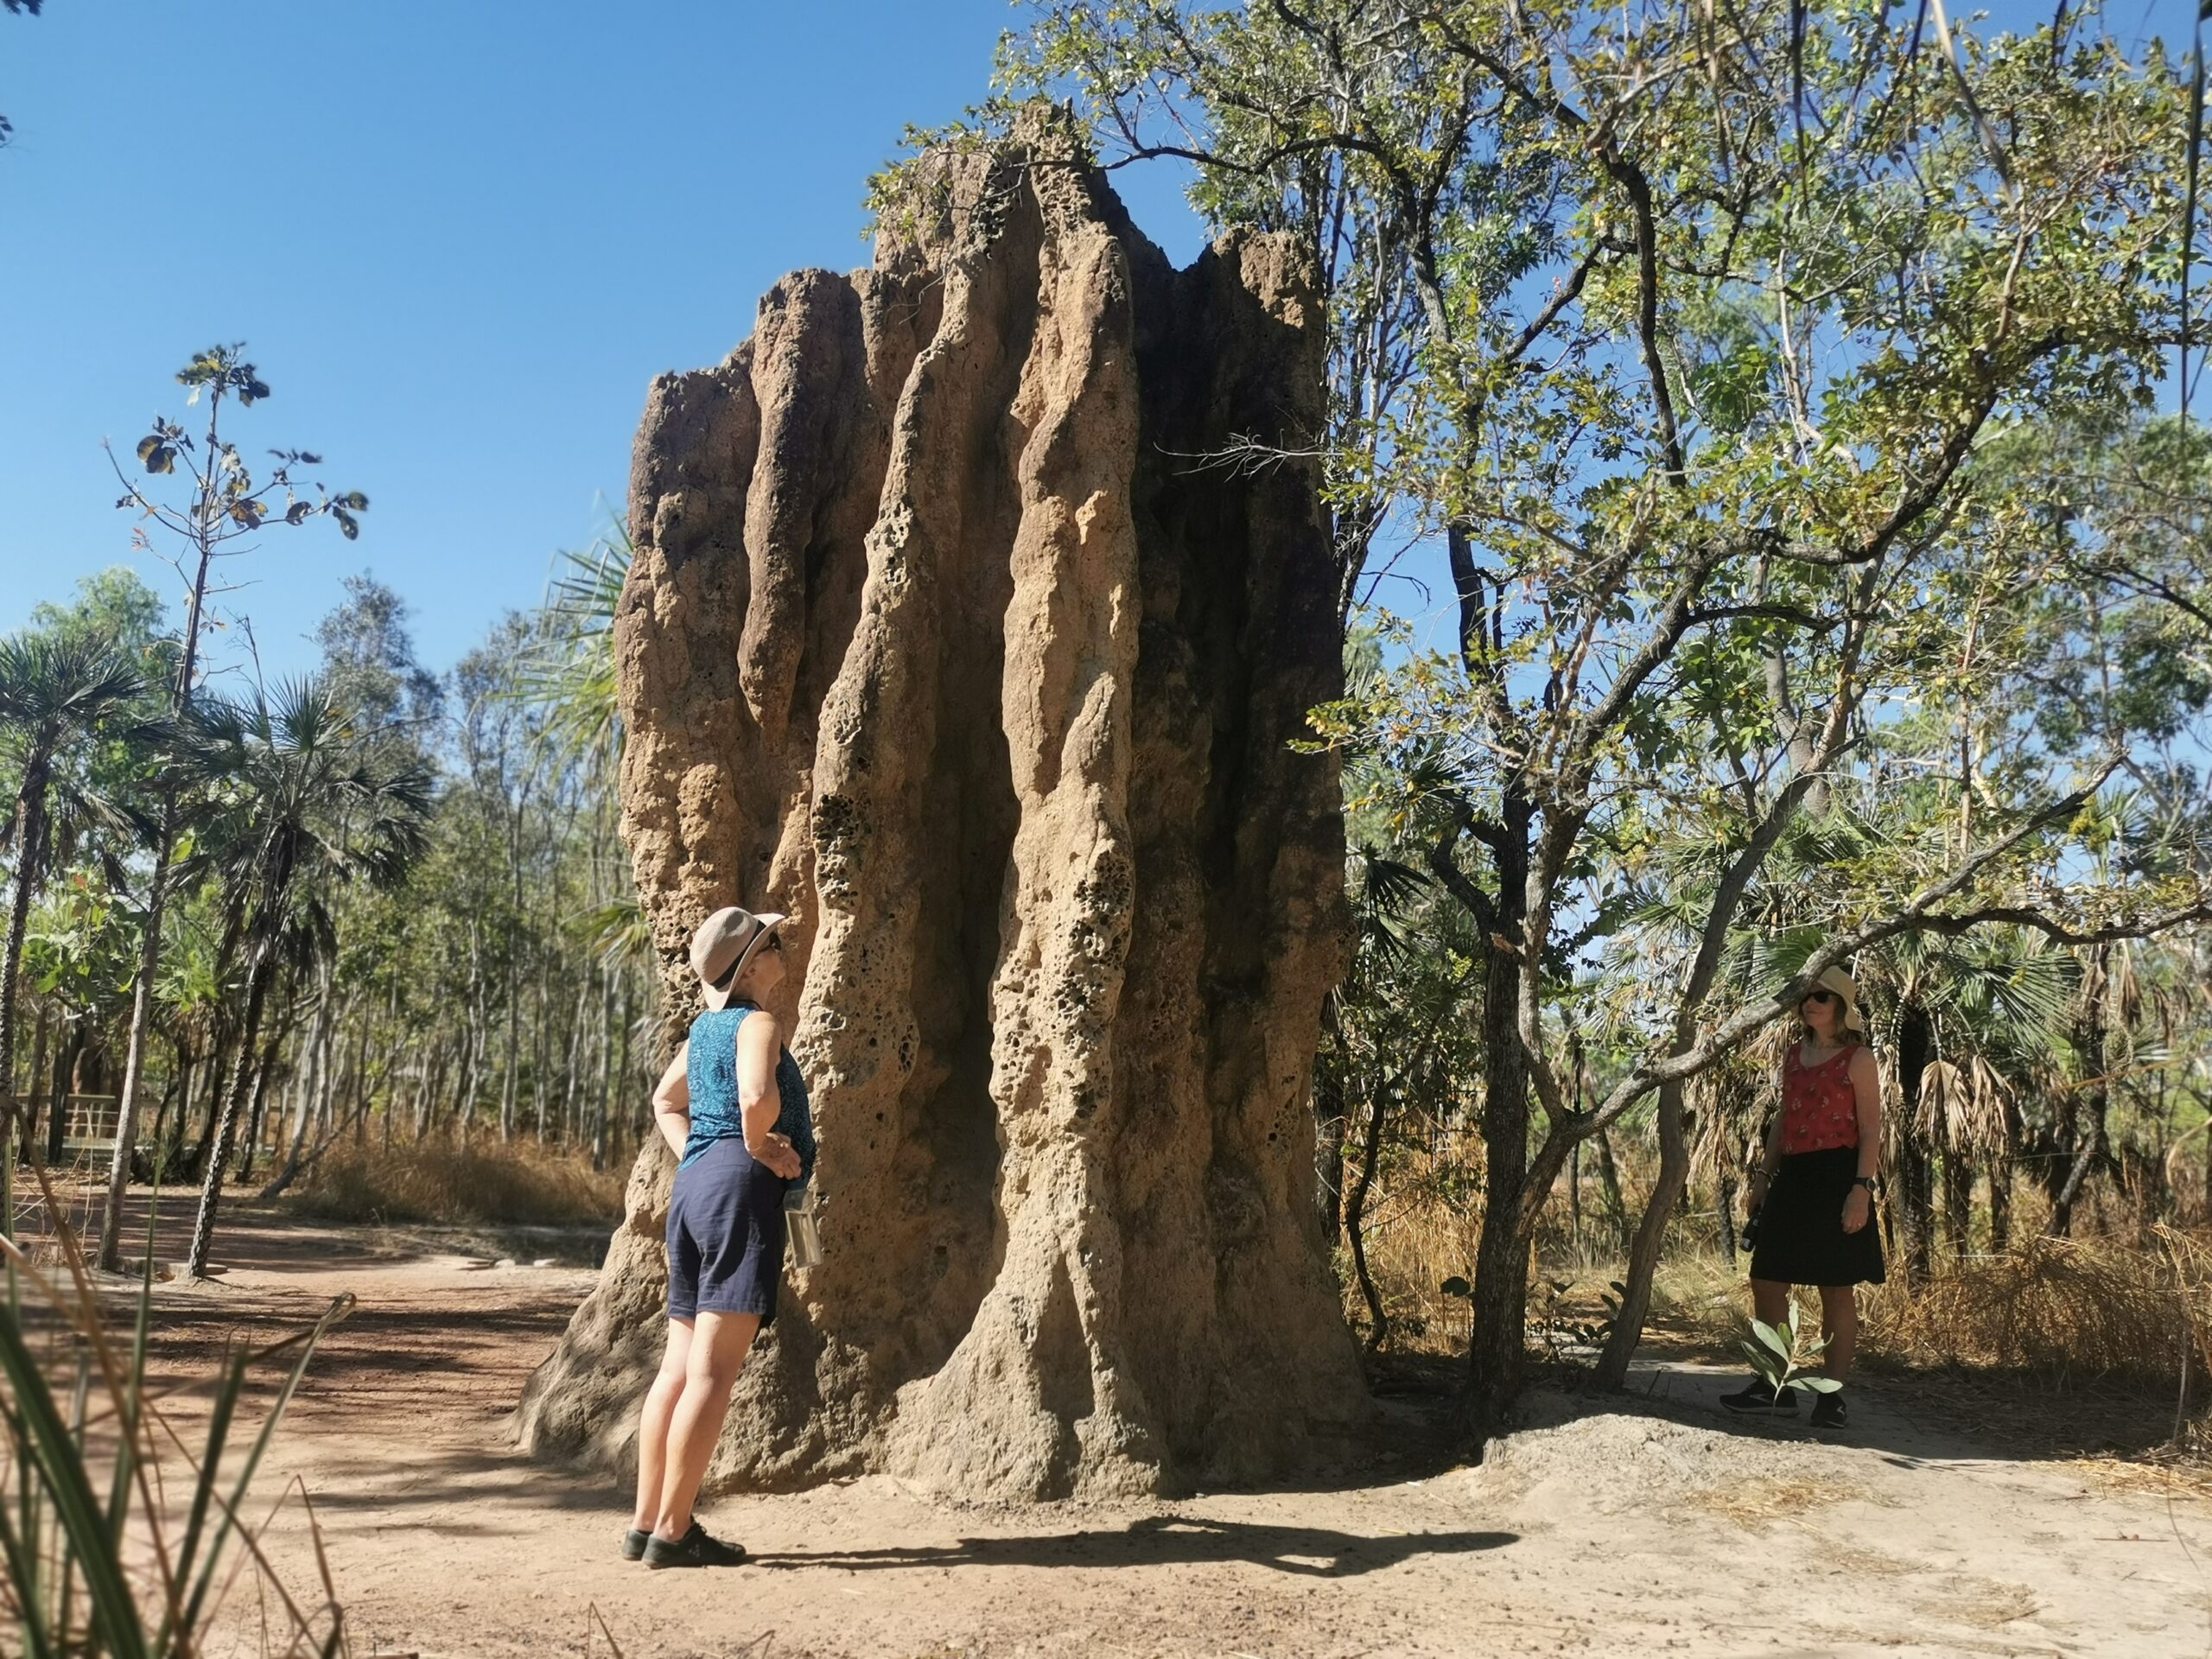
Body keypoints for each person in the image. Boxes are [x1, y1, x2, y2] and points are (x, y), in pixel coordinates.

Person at [621, 905, 817, 1568]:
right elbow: (757, 1097)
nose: (782, 948)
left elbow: (665, 1102)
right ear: (753, 966)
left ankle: (646, 1522)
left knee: (676, 1370)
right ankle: (673, 1535)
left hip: (696, 1190)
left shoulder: (706, 1030)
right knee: (712, 1372)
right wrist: (760, 1146)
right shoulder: (757, 1022)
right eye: (774, 943)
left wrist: (704, 1154)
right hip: (739, 1193)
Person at [1721, 963, 1884, 1431]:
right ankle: (1775, 1385)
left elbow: (1871, 1129)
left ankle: (1831, 1397)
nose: (1810, 1002)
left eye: (1822, 996)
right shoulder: (1793, 1054)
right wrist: (1762, 1176)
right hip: (1792, 1175)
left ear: (1842, 1007)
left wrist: (1861, 1190)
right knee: (1767, 1278)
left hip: (1839, 1176)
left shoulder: (1859, 1059)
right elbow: (1782, 1119)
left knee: (1836, 1288)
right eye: (1806, 995)